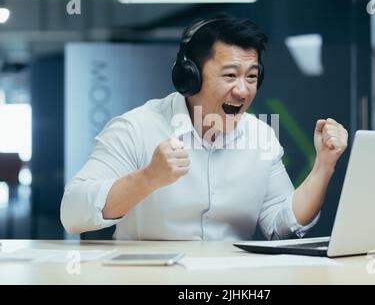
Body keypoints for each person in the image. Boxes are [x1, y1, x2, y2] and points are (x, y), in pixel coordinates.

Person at [60, 14, 348, 241]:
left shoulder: (261, 135)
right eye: (230, 75)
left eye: (251, 77)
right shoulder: (136, 128)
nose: (242, 90)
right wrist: (148, 178)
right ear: (190, 77)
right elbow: (72, 213)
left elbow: (281, 226)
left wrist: (324, 165)